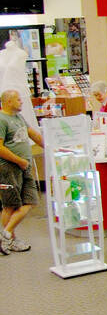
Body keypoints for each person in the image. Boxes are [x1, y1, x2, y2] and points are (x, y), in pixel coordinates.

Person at [0, 88, 45, 254]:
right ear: (9, 101)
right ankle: (9, 240)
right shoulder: (2, 120)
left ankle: (6, 234)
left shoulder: (19, 118)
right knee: (10, 205)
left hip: (24, 166)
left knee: (30, 201)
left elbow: (33, 135)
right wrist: (19, 161)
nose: (21, 102)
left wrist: (52, 146)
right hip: (8, 168)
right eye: (18, 99)